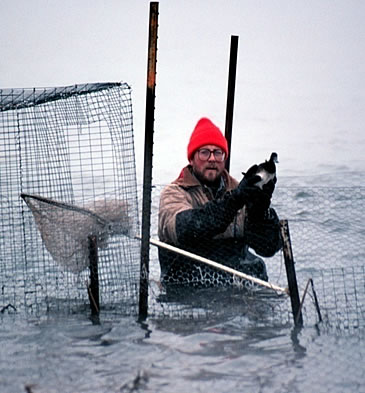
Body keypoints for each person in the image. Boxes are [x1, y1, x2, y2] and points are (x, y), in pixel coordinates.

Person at [158, 117, 282, 288]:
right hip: (186, 290)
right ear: (191, 159)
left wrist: (259, 210)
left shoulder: (242, 190)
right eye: (204, 152)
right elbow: (186, 230)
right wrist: (234, 201)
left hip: (238, 291)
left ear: (224, 159)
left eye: (218, 152)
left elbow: (268, 247)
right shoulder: (174, 194)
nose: (212, 159)